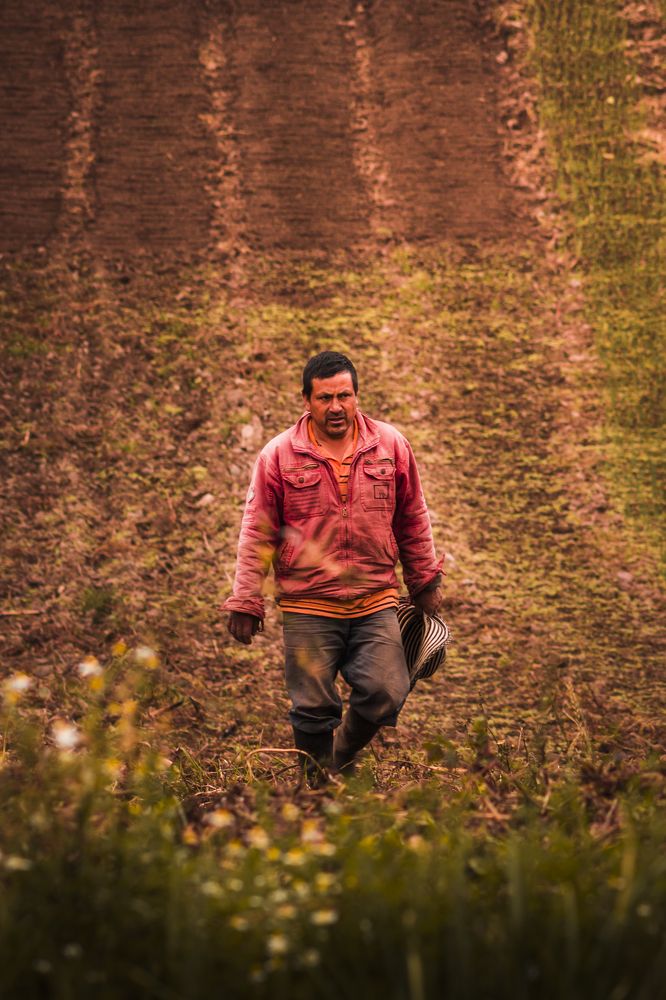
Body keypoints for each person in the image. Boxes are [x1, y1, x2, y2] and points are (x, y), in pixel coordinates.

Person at [224, 351, 443, 784]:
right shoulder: (279, 455)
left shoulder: (390, 445)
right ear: (306, 400)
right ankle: (316, 790)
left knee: (386, 690)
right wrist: (246, 600)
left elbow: (412, 516)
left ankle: (339, 756)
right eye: (325, 398)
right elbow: (257, 531)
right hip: (308, 603)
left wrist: (424, 581)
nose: (336, 407)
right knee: (312, 708)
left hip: (375, 599)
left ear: (357, 396)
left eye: (344, 396)